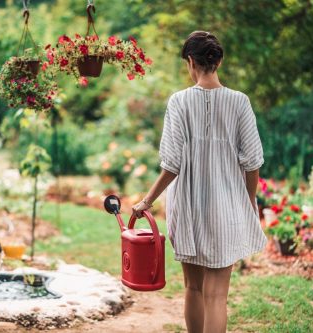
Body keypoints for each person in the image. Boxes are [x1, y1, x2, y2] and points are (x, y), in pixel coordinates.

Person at [132, 31, 267, 333]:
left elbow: (171, 165)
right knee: (217, 296)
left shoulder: (179, 102)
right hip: (227, 207)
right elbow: (253, 162)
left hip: (188, 208)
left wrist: (146, 201)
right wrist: (248, 203)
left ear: (191, 62)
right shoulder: (240, 102)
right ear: (219, 61)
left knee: (193, 288)